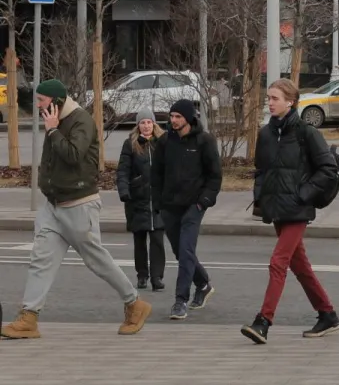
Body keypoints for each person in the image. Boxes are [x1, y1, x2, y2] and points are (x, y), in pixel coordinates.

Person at [0, 79, 151, 339]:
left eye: (41, 101)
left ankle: (134, 303)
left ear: (56, 102)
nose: (38, 105)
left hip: (80, 204)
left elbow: (73, 155)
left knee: (96, 260)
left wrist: (53, 131)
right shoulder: (54, 120)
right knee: (41, 260)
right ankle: (29, 317)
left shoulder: (81, 121)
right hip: (53, 205)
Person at [240, 78, 339, 345]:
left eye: (275, 98)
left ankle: (263, 321)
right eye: (269, 98)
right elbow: (261, 171)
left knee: (278, 262)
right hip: (277, 209)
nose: (270, 103)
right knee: (300, 266)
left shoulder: (306, 133)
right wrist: (260, 199)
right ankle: (327, 314)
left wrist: (303, 194)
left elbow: (328, 169)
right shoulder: (265, 134)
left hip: (298, 209)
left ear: (291, 101)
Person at [154, 99, 222, 321]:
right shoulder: (165, 142)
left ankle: (180, 300)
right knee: (180, 251)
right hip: (170, 205)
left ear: (188, 118)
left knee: (185, 250)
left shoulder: (205, 141)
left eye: (178, 117)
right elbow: (156, 175)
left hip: (194, 205)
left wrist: (203, 201)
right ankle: (202, 283)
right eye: (171, 116)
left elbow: (215, 176)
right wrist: (158, 202)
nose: (173, 121)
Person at [118, 112, 165, 293]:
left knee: (157, 240)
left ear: (154, 124)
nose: (146, 126)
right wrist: (124, 190)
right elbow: (123, 170)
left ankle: (157, 277)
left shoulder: (162, 142)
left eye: (149, 122)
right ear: (138, 125)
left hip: (158, 200)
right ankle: (142, 275)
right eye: (143, 122)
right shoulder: (130, 144)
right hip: (137, 199)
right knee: (140, 240)